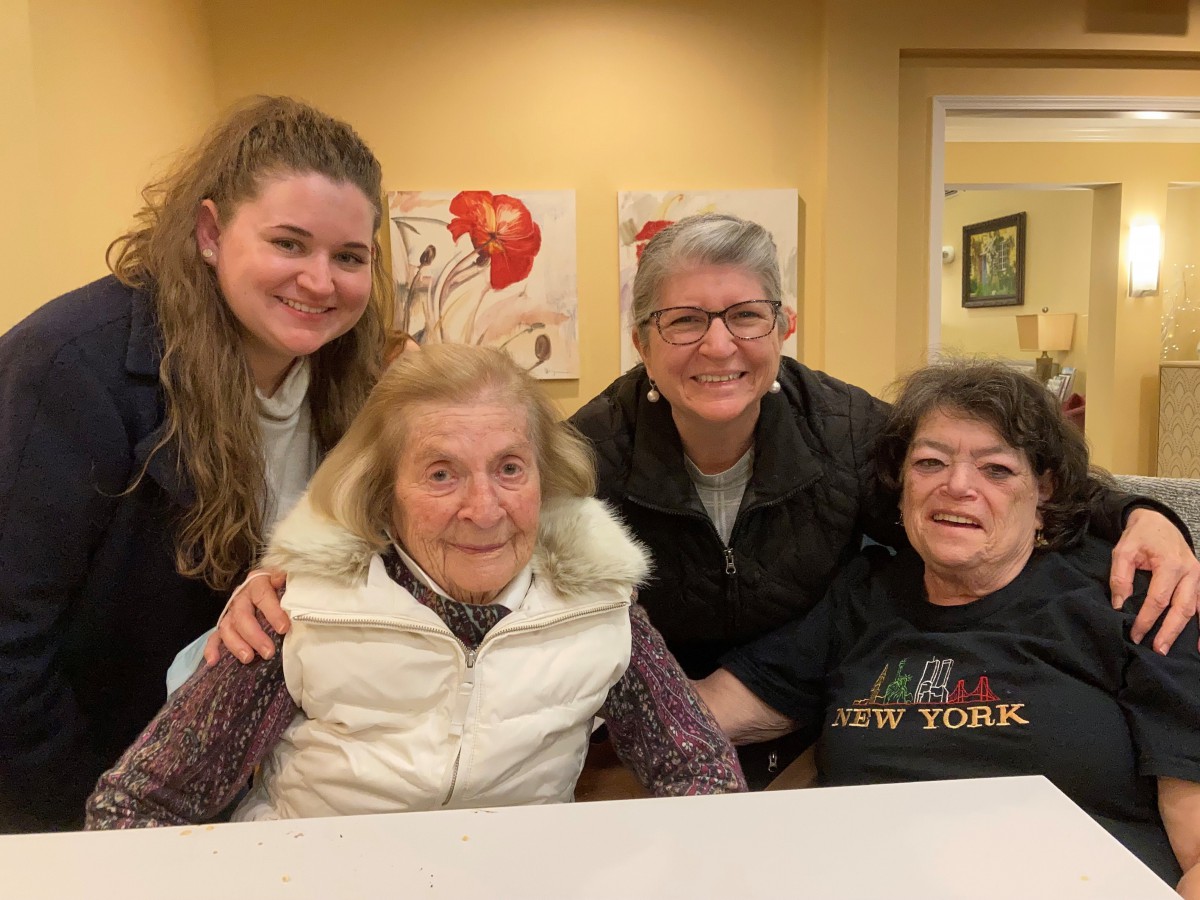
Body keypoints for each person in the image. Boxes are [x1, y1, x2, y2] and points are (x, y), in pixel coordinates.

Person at [213, 212, 1200, 788]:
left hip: (817, 710)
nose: (716, 346)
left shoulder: (861, 436)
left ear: (785, 325)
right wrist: (288, 570)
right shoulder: (582, 450)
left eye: (744, 316)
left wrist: (1155, 518)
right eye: (684, 320)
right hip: (643, 713)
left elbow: (1006, 475)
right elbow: (423, 504)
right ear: (643, 338)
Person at [85, 344, 744, 827]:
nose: (484, 509)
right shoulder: (298, 613)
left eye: (510, 468)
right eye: (440, 475)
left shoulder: (601, 606)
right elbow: (139, 806)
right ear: (384, 495)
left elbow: (699, 773)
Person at [0, 96, 389, 831]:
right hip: (105, 799)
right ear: (211, 233)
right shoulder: (68, 366)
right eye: (288, 243)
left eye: (349, 257)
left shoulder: (357, 387)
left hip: (275, 799)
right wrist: (91, 832)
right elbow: (10, 651)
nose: (319, 281)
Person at [698, 360, 1200, 893]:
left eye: (997, 470)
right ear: (901, 486)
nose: (957, 486)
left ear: (1044, 492)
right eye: (930, 462)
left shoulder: (1130, 597)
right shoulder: (865, 594)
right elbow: (703, 712)